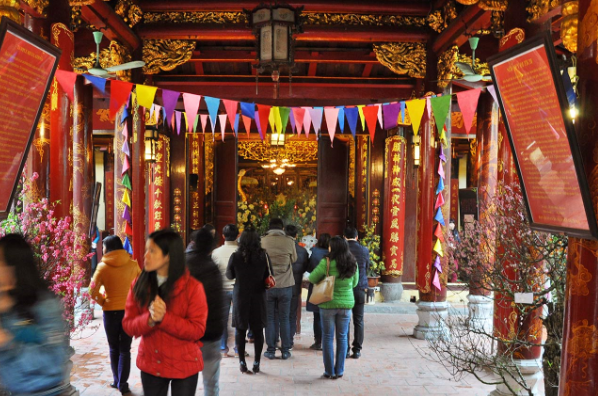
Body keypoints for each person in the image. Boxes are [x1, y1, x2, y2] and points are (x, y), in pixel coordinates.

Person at [123, 229, 208, 396]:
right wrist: (150, 320)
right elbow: (128, 325)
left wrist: (164, 318)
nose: (145, 255)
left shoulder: (193, 287)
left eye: (152, 251)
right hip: (152, 363)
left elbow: (197, 330)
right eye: (146, 250)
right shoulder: (139, 284)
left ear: (168, 256)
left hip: (184, 364)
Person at [0, 234, 69, 396]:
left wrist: (9, 343)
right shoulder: (6, 304)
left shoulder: (45, 305)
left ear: (14, 266)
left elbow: (54, 360)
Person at [89, 235, 141, 394]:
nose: (102, 249)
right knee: (125, 348)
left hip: (110, 312)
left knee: (114, 348)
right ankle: (123, 384)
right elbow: (141, 286)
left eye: (103, 246)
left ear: (108, 248)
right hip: (129, 312)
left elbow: (92, 290)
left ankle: (116, 380)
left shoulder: (102, 267)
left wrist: (104, 301)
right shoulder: (133, 265)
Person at [309, 236, 358, 379]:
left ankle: (329, 371)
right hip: (346, 305)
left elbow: (312, 278)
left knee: (328, 337)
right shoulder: (352, 262)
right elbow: (354, 283)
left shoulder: (327, 262)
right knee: (342, 338)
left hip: (328, 303)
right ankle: (340, 370)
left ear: (333, 248)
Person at [225, 227, 270, 374]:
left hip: (241, 296)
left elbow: (229, 275)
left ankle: (242, 362)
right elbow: (268, 276)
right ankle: (257, 362)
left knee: (240, 329)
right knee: (258, 330)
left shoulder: (235, 256)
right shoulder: (263, 255)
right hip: (258, 296)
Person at [185, 228, 225, 396]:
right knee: (211, 383)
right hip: (210, 333)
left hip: (186, 333)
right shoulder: (213, 268)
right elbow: (219, 303)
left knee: (185, 382)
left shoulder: (182, 265)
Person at [260, 218, 297, 360]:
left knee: (269, 318)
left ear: (269, 227)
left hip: (268, 285)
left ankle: (270, 350)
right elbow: (294, 259)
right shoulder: (289, 241)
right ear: (282, 228)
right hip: (286, 285)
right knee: (285, 318)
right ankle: (286, 350)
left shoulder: (263, 241)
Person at [211, 223, 241, 358]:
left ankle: (223, 348)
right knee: (239, 319)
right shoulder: (242, 251)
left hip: (222, 289)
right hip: (238, 289)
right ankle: (238, 348)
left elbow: (212, 271)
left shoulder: (216, 252)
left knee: (222, 319)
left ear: (223, 236)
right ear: (238, 235)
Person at [343, 226, 370, 359]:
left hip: (346, 288)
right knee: (358, 319)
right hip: (360, 287)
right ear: (357, 237)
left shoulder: (342, 250)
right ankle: (357, 349)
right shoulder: (364, 250)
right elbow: (367, 266)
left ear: (344, 237)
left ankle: (346, 349)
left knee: (345, 319)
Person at [284, 224, 308, 347]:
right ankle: (289, 341)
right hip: (295, 285)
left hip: (281, 285)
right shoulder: (302, 251)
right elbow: (305, 267)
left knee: (280, 314)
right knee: (292, 314)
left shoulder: (280, 249)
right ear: (296, 236)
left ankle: (279, 340)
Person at [306, 233, 331, 350]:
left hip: (316, 285)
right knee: (328, 315)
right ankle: (327, 340)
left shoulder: (314, 252)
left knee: (317, 316)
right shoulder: (332, 254)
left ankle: (318, 341)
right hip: (329, 285)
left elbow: (309, 268)